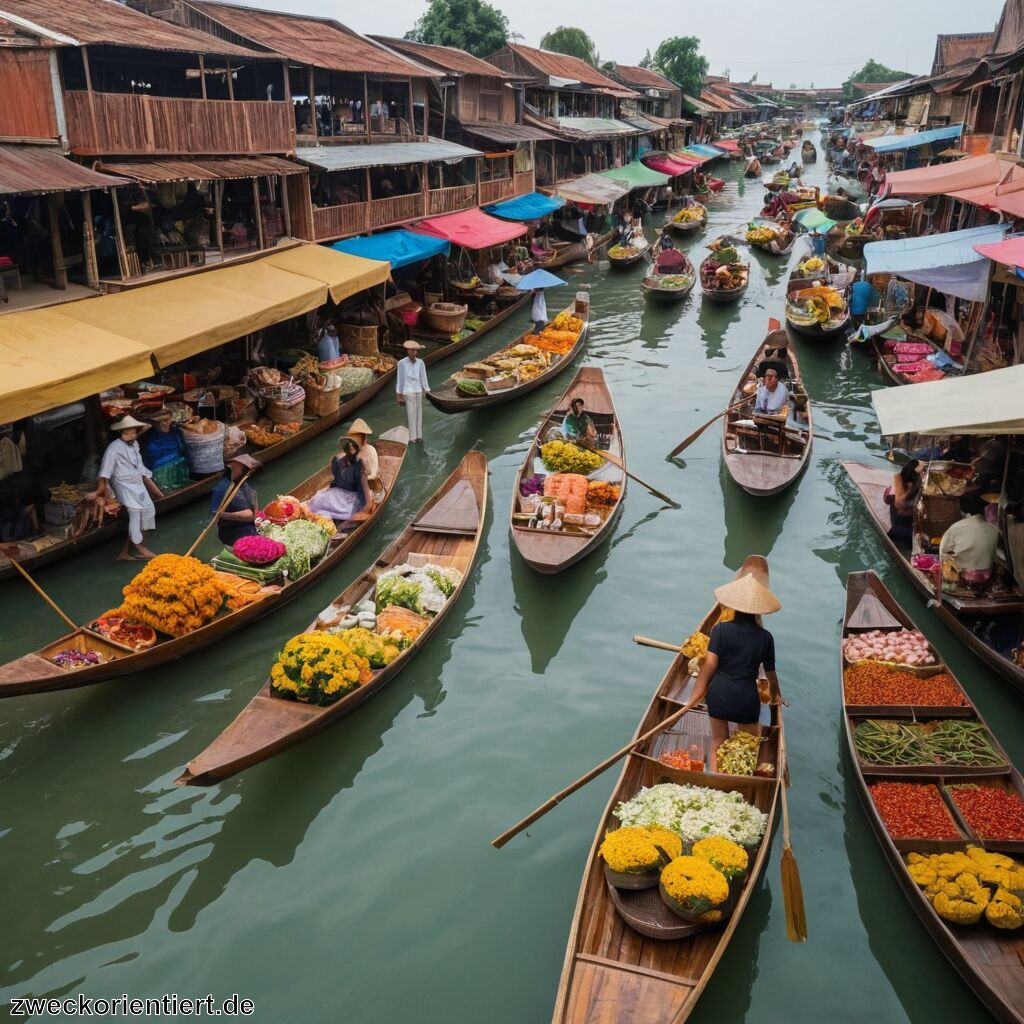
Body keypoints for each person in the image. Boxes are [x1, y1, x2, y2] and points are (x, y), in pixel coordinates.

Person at [676, 572, 782, 768]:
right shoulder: (766, 638)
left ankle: (716, 780)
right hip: (745, 699)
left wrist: (695, 696)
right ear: (758, 612)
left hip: (719, 694)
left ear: (733, 607)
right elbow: (770, 674)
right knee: (747, 746)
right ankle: (738, 780)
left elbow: (709, 666)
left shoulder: (720, 630)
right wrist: (776, 696)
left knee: (718, 741)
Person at [92, 416, 164, 561]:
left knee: (149, 511)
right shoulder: (113, 449)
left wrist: (155, 489)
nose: (131, 435)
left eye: (133, 432)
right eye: (127, 433)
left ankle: (126, 551)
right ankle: (139, 547)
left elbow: (140, 465)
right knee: (136, 512)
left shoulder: (135, 444)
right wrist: (99, 491)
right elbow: (105, 472)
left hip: (136, 482)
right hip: (122, 483)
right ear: (121, 433)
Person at [939, 497, 999, 595]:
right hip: (987, 579)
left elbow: (943, 553)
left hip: (960, 580)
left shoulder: (955, 527)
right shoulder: (994, 530)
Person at [307, 438, 373, 521]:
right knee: (318, 499)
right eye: (348, 449)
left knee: (348, 511)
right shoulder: (338, 461)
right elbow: (336, 479)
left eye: (353, 449)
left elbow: (366, 496)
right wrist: (328, 488)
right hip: (338, 491)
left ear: (357, 450)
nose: (351, 451)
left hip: (351, 496)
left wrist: (363, 511)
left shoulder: (359, 466)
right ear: (345, 450)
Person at [210, 453, 261, 547]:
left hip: (249, 527)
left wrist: (255, 516)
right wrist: (223, 515)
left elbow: (253, 500)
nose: (249, 473)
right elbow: (248, 515)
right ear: (234, 465)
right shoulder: (225, 488)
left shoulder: (241, 482)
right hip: (235, 533)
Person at [140, 408, 190, 493]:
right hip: (159, 479)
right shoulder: (146, 439)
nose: (169, 422)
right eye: (165, 420)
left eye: (169, 419)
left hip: (180, 474)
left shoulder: (176, 432)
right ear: (156, 423)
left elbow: (184, 451)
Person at [396, 340, 429, 443]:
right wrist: (399, 394)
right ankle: (412, 437)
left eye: (414, 351)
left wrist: (426, 389)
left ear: (417, 352)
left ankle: (419, 435)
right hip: (408, 390)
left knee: (419, 413)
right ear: (407, 351)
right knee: (411, 414)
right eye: (410, 351)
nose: (412, 352)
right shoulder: (401, 363)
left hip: (418, 389)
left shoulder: (420, 362)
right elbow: (400, 379)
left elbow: (423, 377)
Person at [886, 459, 921, 547]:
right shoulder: (900, 480)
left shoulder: (901, 479)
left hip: (905, 523)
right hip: (903, 526)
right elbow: (899, 505)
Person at [345, 418, 380, 495]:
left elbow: (373, 473)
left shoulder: (370, 450)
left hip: (370, 486)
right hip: (358, 484)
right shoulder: (356, 450)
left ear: (362, 437)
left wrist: (361, 479)